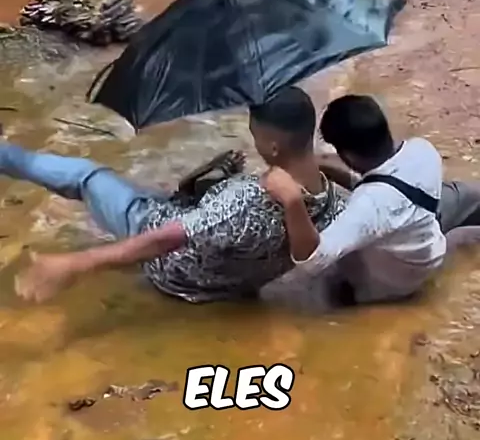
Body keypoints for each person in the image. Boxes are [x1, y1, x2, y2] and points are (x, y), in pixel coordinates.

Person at [9, 87, 347, 304]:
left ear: (272, 147)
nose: (254, 141)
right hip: (228, 282)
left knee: (87, 176)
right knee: (182, 192)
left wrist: (76, 263)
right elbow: (307, 248)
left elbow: (166, 238)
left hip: (173, 267)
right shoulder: (335, 205)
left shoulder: (244, 201)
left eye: (255, 134)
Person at [263, 94, 480, 305]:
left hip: (394, 283)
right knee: (464, 195)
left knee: (309, 279)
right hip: (425, 236)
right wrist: (321, 164)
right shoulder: (422, 150)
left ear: (348, 156)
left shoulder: (368, 207)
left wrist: (291, 198)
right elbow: (385, 188)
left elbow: (312, 259)